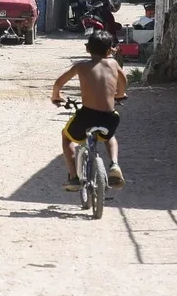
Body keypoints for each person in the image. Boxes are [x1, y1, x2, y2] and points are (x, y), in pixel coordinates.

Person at [51, 30, 127, 191]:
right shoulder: (113, 64)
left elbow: (58, 83)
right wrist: (120, 94)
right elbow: (123, 79)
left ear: (87, 49)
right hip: (109, 116)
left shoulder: (81, 66)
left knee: (66, 136)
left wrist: (56, 96)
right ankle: (114, 164)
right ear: (109, 50)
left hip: (87, 116)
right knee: (109, 136)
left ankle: (73, 177)